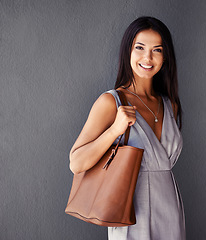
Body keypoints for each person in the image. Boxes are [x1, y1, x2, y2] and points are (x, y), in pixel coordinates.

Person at [68, 16, 185, 240]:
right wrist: (114, 130)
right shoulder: (111, 102)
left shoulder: (170, 105)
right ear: (127, 51)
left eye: (157, 50)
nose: (147, 58)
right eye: (139, 47)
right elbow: (76, 163)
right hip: (131, 211)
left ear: (165, 56)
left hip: (170, 209)